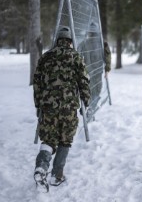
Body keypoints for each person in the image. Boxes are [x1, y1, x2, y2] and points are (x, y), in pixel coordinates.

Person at [33, 26, 90, 191]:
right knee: (65, 140)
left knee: (49, 140)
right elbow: (84, 82)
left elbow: (37, 83)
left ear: (57, 40)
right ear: (71, 41)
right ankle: (56, 176)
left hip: (48, 107)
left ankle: (41, 168)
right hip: (69, 108)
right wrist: (85, 102)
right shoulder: (76, 57)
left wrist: (39, 105)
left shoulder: (45, 58)